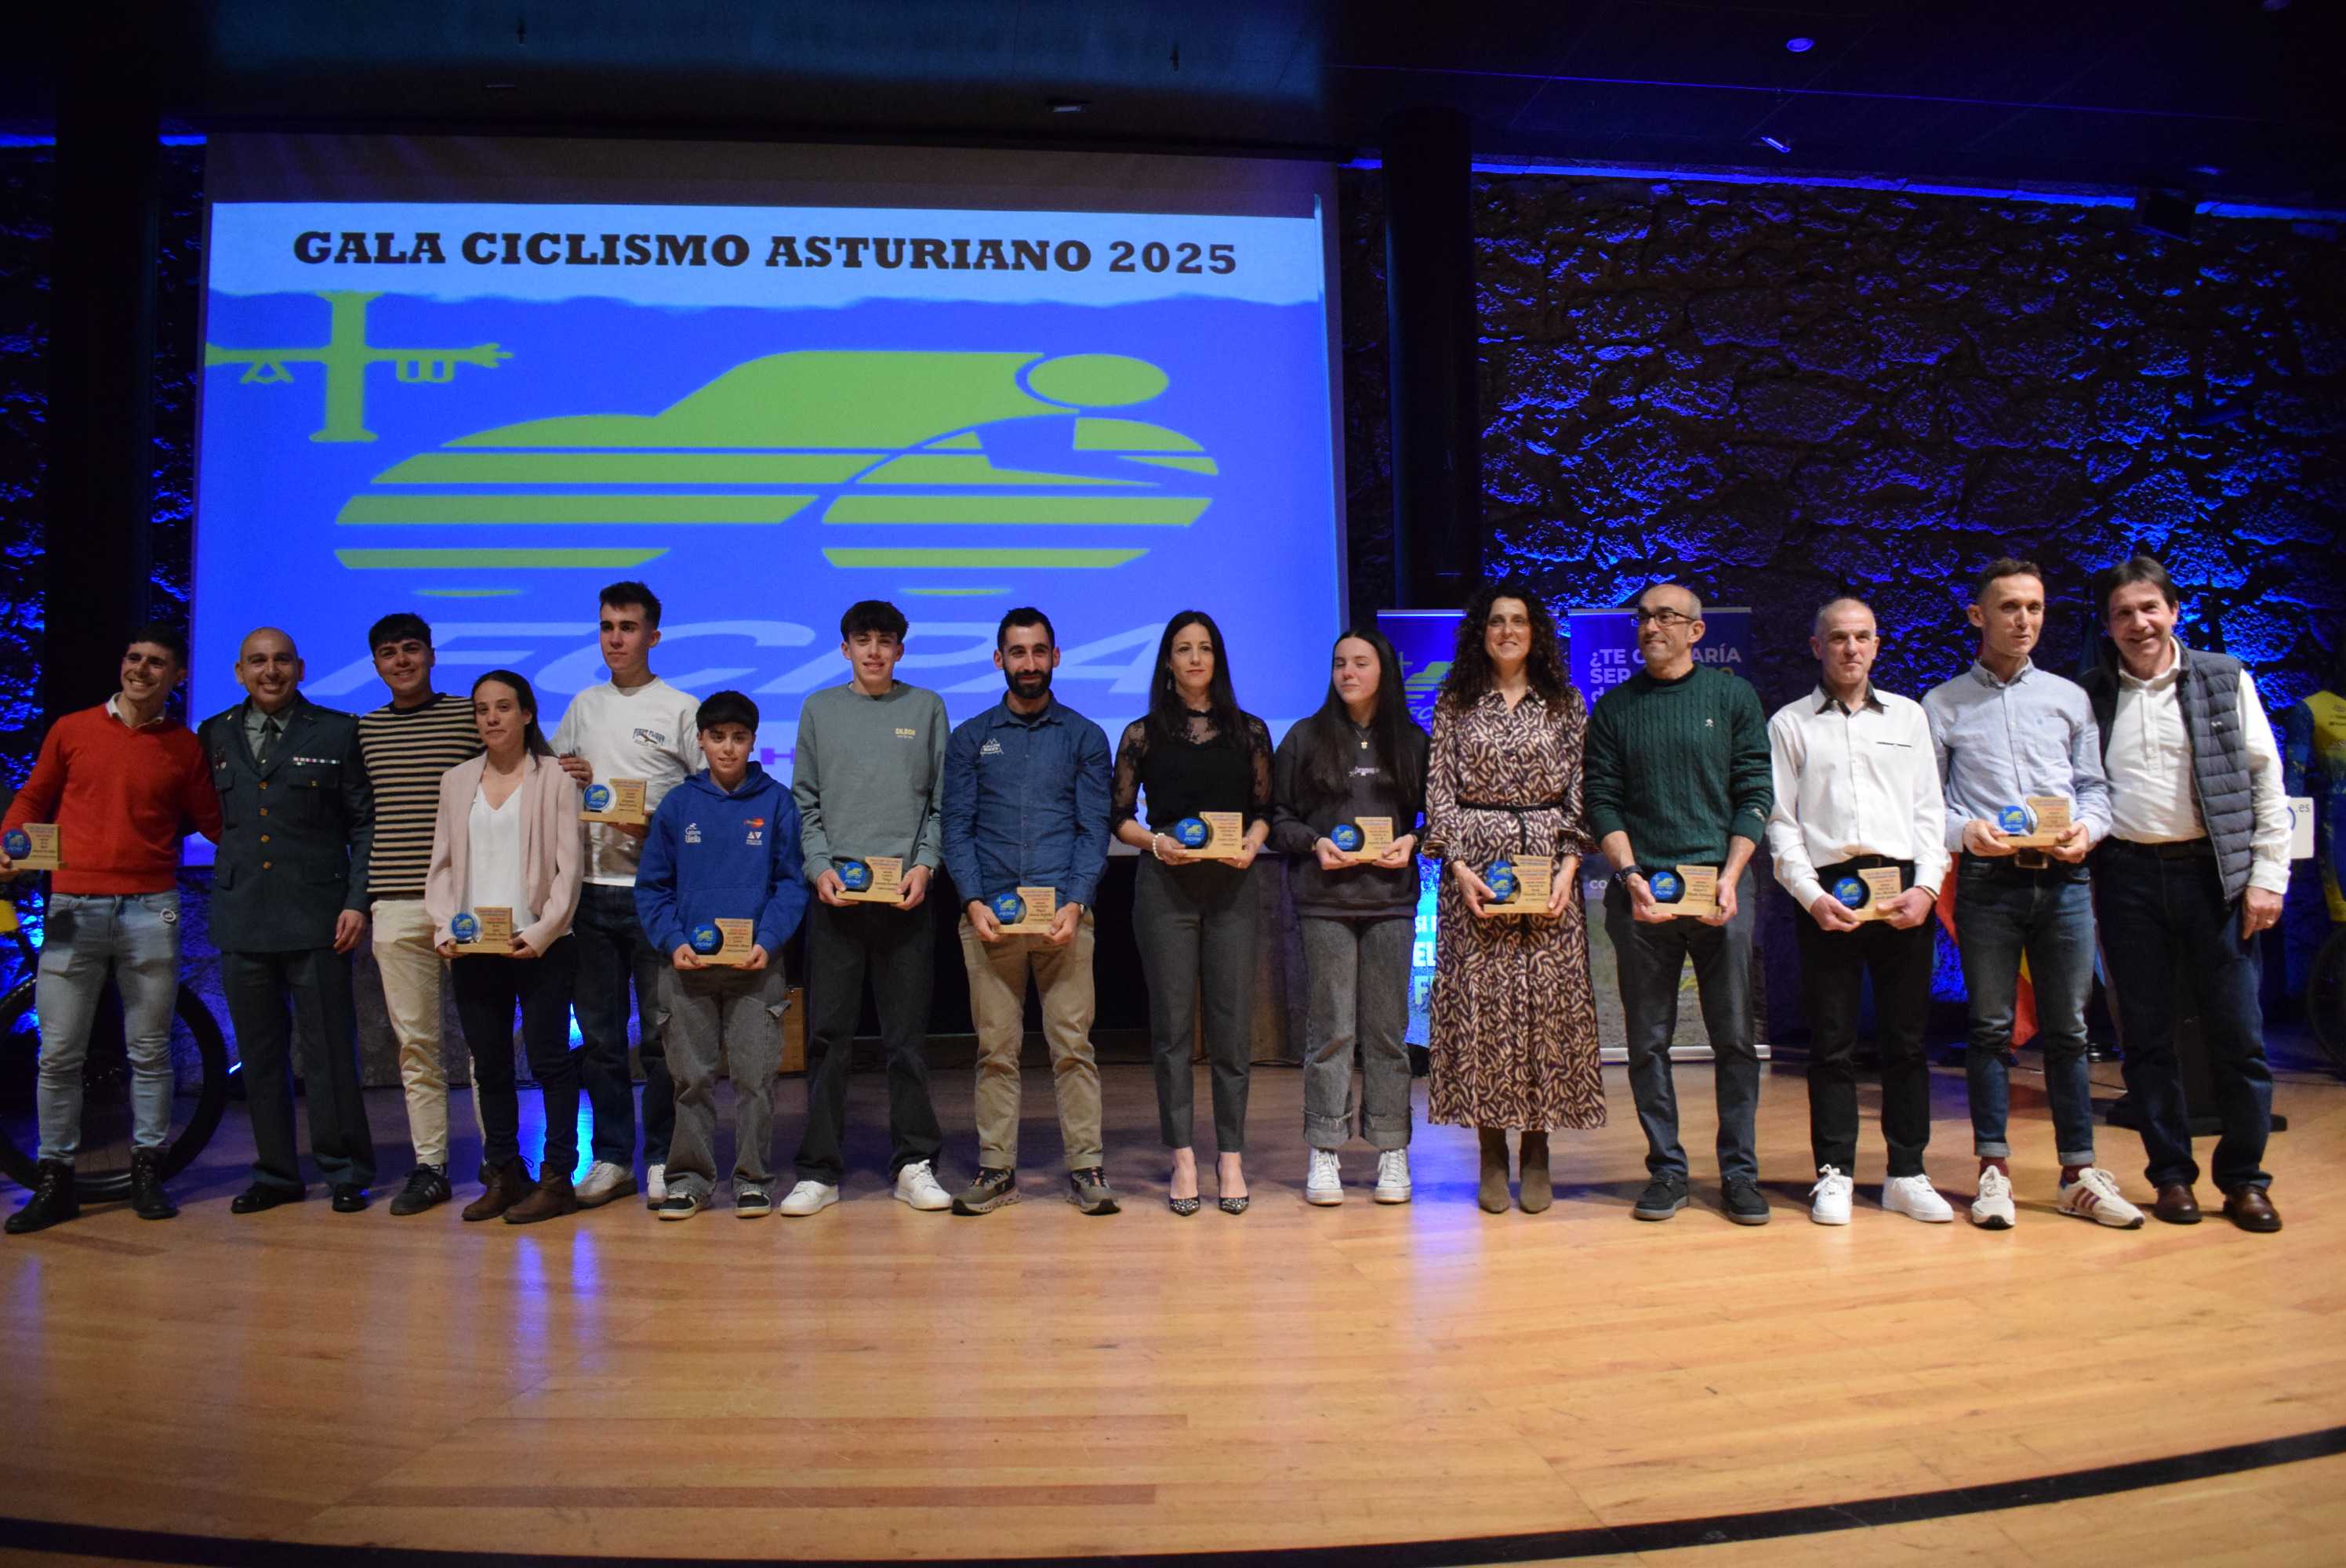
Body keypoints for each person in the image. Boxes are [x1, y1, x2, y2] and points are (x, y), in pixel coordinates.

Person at [1923, 557, 2137, 1231]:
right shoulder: (1943, 703)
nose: (2024, 620)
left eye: (2036, 608)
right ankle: (1994, 1173)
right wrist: (1968, 832)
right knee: (1989, 1031)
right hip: (1989, 883)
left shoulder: (2069, 699)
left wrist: (2088, 832)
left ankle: (2078, 1173)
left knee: (2072, 1031)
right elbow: (1928, 807)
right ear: (1977, 616)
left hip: (2065, 878)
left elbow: (2097, 791)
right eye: (2010, 607)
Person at [2080, 555, 2288, 1232]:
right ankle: (2170, 1176)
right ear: (2107, 625)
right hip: (2129, 879)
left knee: (2239, 1036)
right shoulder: (2092, 694)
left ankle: (2246, 1179)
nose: (2137, 623)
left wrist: (2266, 878)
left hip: (2214, 878)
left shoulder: (2226, 681)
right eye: (2122, 613)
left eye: (2149, 608)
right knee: (2145, 1039)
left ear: (2173, 610)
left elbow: (2266, 783)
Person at [2, 624, 221, 1234]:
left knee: (149, 1051)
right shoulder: (71, 730)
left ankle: (147, 1170)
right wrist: (10, 844)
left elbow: (214, 820)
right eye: (134, 658)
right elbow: (30, 801)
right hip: (72, 904)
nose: (141, 670)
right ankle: (55, 1180)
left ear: (177, 677)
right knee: (60, 1053)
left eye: (157, 663)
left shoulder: (184, 746)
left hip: (152, 907)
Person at [1585, 583, 1773, 1225]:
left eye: (1666, 617)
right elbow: (1602, 800)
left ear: (1696, 631)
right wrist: (1630, 872)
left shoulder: (1732, 696)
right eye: (1643, 617)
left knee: (1735, 1038)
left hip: (1722, 886)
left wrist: (1731, 873)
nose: (1651, 626)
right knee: (1648, 1041)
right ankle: (1666, 1170)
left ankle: (1740, 1174)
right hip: (1642, 894)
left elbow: (1755, 790)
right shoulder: (1614, 709)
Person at [1764, 598, 1955, 1226]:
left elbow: (1930, 812)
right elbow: (1782, 824)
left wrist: (1928, 887)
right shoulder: (1791, 724)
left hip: (1902, 887)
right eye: (1838, 638)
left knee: (1905, 1041)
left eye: (1862, 637)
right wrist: (1810, 895)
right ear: (1816, 646)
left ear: (1877, 644)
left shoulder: (1910, 715)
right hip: (1828, 893)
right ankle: (1835, 1173)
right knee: (1832, 1043)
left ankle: (1907, 1170)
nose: (1851, 648)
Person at [1422, 583, 1604, 1214]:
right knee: (1484, 1016)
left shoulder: (1565, 702)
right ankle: (1491, 1153)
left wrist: (1569, 867)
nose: (1506, 631)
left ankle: (1538, 1147)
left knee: (1545, 1016)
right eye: (1496, 621)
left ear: (1536, 632)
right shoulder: (1455, 702)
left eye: (1518, 621)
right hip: (1475, 872)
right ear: (1481, 631)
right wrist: (1461, 866)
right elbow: (1438, 791)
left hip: (1549, 869)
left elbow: (1583, 788)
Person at [940, 608, 1117, 1217]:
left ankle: (1087, 1169)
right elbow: (956, 830)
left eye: (1040, 652)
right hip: (989, 917)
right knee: (996, 1050)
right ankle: (996, 1171)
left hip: (1064, 917)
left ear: (1056, 657)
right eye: (1018, 653)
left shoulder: (1086, 737)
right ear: (999, 660)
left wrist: (1075, 902)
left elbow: (1093, 829)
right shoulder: (969, 739)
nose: (1030, 664)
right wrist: (971, 900)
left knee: (1072, 1046)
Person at [196, 626, 378, 1214]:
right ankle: (276, 1173)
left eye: (280, 661)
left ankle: (345, 1168)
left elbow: (363, 825)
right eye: (257, 662)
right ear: (239, 672)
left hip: (318, 915)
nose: (269, 671)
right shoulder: (214, 733)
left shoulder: (336, 730)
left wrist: (356, 901)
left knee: (328, 1051)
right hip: (242, 915)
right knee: (260, 1055)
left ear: (300, 668)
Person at [784, 601, 950, 1218]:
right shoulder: (819, 710)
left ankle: (913, 1161)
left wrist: (926, 866)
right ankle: (819, 1170)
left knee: (905, 1040)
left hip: (906, 897)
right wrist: (820, 868)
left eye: (886, 641)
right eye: (863, 640)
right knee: (827, 1038)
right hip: (836, 897)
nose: (874, 651)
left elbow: (941, 801)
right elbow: (805, 803)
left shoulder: (927, 707)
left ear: (901, 650)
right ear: (844, 648)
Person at [1113, 611, 1273, 1215]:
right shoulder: (1142, 734)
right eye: (1184, 649)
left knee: (1232, 1031)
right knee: (1173, 1031)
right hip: (1166, 889)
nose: (1196, 658)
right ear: (1168, 662)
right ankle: (1182, 1155)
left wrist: (1254, 843)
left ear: (1218, 658)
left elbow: (1265, 806)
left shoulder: (1250, 731)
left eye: (1205, 648)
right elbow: (1119, 815)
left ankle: (1229, 1155)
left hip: (1232, 888)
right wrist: (1155, 843)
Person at [549, 581, 703, 1210]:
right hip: (590, 894)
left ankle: (662, 1156)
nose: (617, 637)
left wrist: (656, 823)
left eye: (629, 627)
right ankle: (611, 1155)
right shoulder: (583, 706)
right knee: (603, 1038)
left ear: (653, 636)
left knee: (662, 1038)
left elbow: (707, 797)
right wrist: (570, 776)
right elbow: (551, 781)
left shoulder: (680, 708)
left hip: (655, 897)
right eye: (608, 625)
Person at [1271, 628, 1429, 1207]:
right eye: (1339, 663)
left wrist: (1413, 840)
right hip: (1326, 902)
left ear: (1383, 671)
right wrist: (1313, 842)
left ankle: (1391, 1146)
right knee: (1331, 1029)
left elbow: (1434, 819)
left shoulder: (1410, 740)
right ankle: (1325, 1148)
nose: (1348, 673)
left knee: (1387, 1032)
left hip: (1390, 901)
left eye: (1360, 663)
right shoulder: (1306, 737)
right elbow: (1279, 818)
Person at [635, 691, 808, 1220]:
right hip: (687, 969)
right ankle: (690, 1179)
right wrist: (672, 941)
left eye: (738, 737)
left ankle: (754, 1179)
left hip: (757, 967)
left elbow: (791, 885)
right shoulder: (678, 806)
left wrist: (768, 940)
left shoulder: (776, 802)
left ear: (753, 741)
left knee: (756, 1079)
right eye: (717, 738)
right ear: (701, 741)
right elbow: (652, 888)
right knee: (691, 1080)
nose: (728, 748)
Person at [423, 671, 586, 1224]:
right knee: (489, 1065)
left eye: (503, 707)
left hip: (538, 945)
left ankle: (558, 1176)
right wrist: (446, 928)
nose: (491, 718)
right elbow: (441, 866)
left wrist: (540, 933)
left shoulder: (556, 781)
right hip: (475, 951)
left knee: (549, 1062)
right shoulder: (456, 780)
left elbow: (570, 871)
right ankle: (504, 1173)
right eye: (482, 710)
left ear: (527, 714)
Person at [355, 613, 484, 1217]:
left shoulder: (470, 715)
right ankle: (430, 1166)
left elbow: (525, 770)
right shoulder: (364, 731)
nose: (401, 661)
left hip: (471, 902)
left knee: (485, 1039)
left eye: (411, 649)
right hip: (396, 902)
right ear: (376, 664)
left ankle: (501, 1157)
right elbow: (358, 820)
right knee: (417, 1046)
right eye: (388, 653)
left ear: (432, 655)